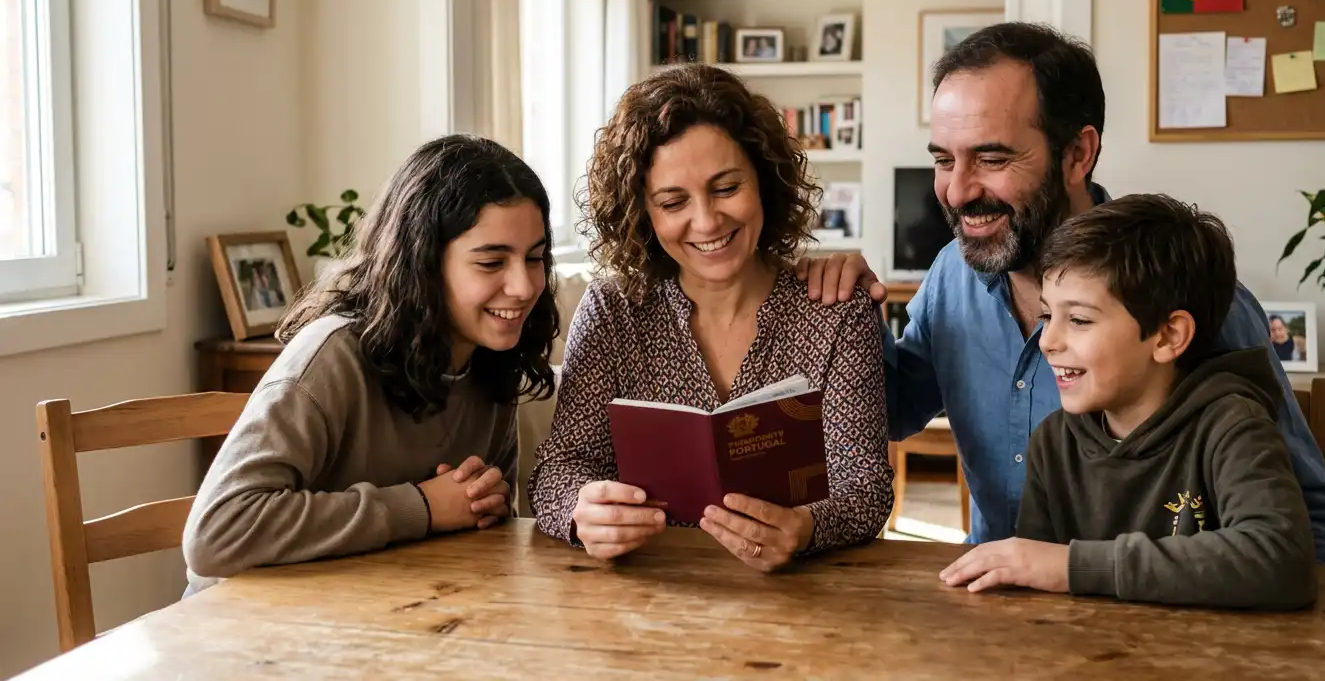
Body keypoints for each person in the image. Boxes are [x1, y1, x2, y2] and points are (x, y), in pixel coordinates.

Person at [796, 21, 1325, 565]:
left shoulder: (1177, 294)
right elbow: (889, 412)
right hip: (1000, 608)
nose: (957, 190)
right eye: (944, 160)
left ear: (1077, 154)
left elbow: (1315, 528)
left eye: (991, 159)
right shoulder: (952, 274)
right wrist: (844, 309)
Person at [528, 63, 893, 572]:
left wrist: (806, 528)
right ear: (644, 213)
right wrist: (581, 511)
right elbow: (559, 470)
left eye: (725, 189)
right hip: (648, 594)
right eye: (673, 201)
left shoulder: (836, 309)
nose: (706, 221)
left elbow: (866, 490)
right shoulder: (613, 311)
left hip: (802, 599)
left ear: (765, 180)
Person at [182, 135, 559, 593]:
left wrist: (487, 505)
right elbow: (216, 533)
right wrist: (421, 507)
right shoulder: (332, 356)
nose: (523, 287)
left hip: (390, 615)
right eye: (491, 262)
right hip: (248, 639)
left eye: (535, 258)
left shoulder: (491, 359)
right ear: (424, 262)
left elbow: (489, 542)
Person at [940, 194, 1317, 609]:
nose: (1047, 341)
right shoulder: (1054, 442)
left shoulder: (1231, 425)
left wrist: (1073, 567)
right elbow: (1033, 582)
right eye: (1048, 316)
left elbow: (1279, 557)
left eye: (1079, 320)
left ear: (1168, 336)